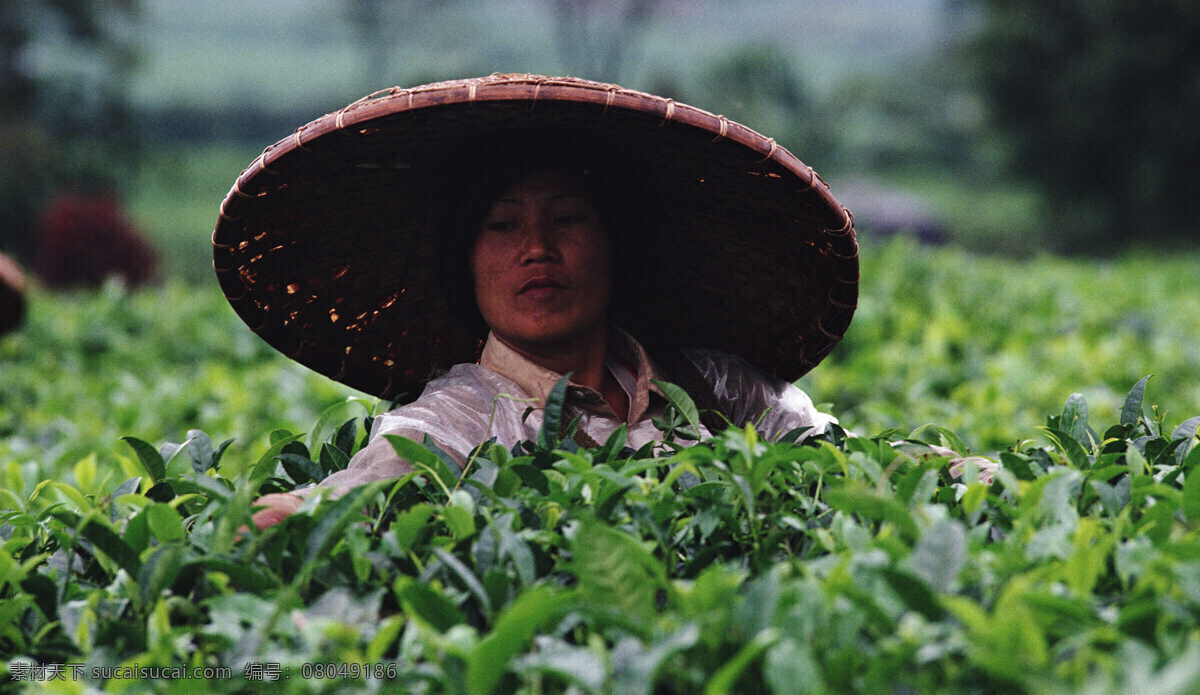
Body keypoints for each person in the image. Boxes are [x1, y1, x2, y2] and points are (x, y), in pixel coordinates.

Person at [212, 75, 861, 528]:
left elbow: (853, 463)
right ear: (466, 261)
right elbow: (385, 472)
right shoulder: (465, 414)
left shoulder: (716, 388)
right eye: (502, 225)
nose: (537, 248)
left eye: (569, 218)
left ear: (615, 243)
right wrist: (295, 514)